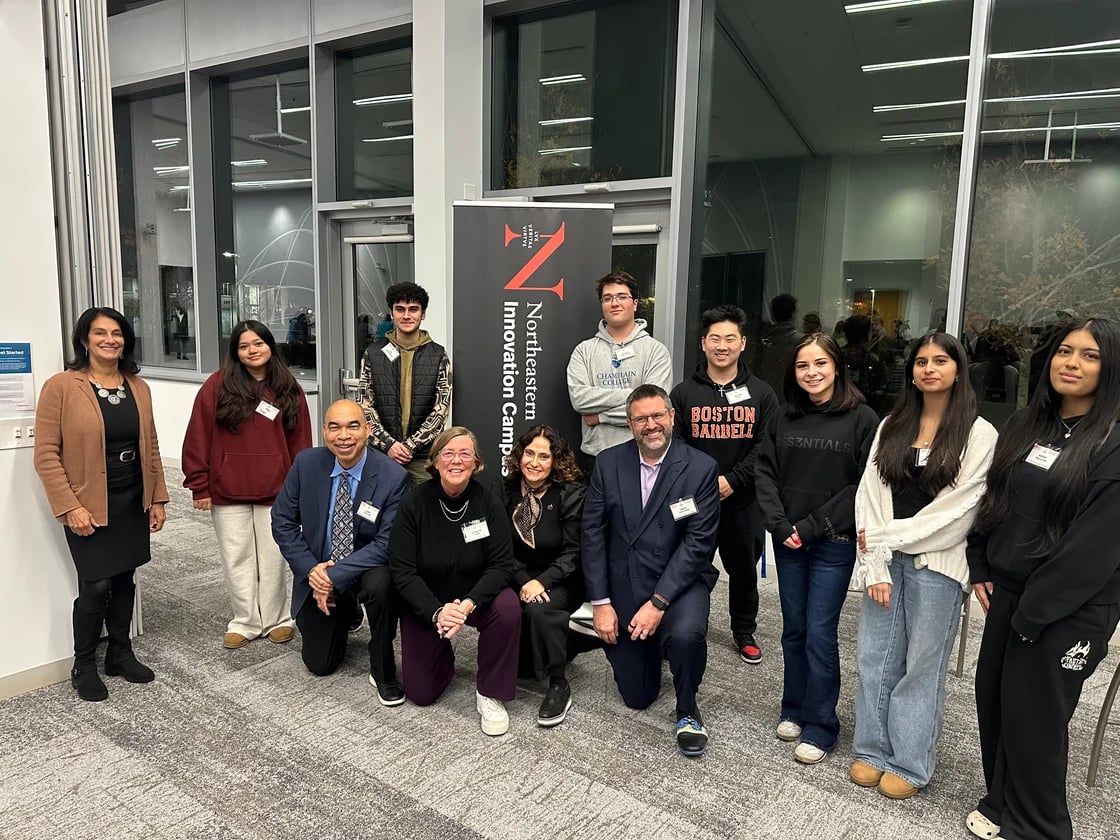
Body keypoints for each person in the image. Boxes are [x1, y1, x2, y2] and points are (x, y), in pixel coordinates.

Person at [966, 318, 1120, 840]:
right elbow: (994, 501)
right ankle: (1002, 801)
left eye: (1090, 355)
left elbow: (1095, 549)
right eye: (1064, 351)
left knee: (1036, 721)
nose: (1071, 363)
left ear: (1111, 368)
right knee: (995, 702)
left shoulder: (1112, 441)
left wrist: (1034, 613)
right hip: (1011, 594)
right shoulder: (1028, 424)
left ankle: (1040, 828)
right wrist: (981, 563)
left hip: (1069, 608)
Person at [851, 333, 998, 799]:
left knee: (921, 666)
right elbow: (869, 494)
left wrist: (883, 540)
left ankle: (910, 762)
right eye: (920, 362)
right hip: (885, 562)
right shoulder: (892, 423)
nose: (929, 369)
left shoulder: (979, 433)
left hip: (938, 566)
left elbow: (958, 512)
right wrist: (875, 560)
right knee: (875, 657)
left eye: (939, 361)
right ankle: (872, 750)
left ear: (958, 369)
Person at [33, 307, 169, 702]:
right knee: (96, 585)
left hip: (132, 497)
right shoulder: (61, 386)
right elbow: (46, 454)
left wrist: (157, 497)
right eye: (100, 333)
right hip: (88, 501)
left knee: (125, 578)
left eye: (117, 333)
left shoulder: (137, 387)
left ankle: (120, 654)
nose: (110, 340)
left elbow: (151, 445)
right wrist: (69, 506)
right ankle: (84, 664)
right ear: (84, 340)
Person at [755, 332, 878, 764]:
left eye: (820, 363)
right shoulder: (783, 416)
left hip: (832, 541)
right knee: (793, 629)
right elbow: (765, 471)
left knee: (820, 633)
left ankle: (822, 724)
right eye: (803, 365)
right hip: (788, 539)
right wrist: (779, 524)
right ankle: (794, 707)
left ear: (837, 367)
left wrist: (810, 527)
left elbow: (863, 486)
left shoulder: (862, 419)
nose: (812, 372)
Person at [582, 384, 721, 757]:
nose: (651, 425)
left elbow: (698, 544)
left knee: (686, 634)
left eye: (658, 415)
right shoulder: (608, 463)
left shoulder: (701, 468)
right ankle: (655, 650)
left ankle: (688, 708)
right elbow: (592, 535)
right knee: (637, 697)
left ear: (671, 416)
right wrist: (600, 603)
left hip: (679, 581)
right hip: (626, 580)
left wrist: (659, 602)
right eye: (641, 418)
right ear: (630, 424)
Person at [182, 320, 312, 650]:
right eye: (243, 346)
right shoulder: (216, 385)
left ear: (270, 346)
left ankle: (277, 619)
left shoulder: (288, 387)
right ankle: (245, 620)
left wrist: (300, 488)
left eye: (258, 343)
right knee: (236, 556)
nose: (252, 350)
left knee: (273, 557)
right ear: (235, 352)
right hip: (227, 489)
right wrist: (199, 484)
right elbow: (198, 435)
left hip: (277, 490)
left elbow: (300, 442)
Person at [272, 400, 412, 703]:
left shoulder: (393, 476)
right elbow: (282, 522)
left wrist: (331, 577)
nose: (343, 436)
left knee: (383, 583)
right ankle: (347, 608)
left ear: (368, 430)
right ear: (324, 431)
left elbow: (387, 543)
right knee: (320, 664)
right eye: (334, 427)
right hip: (318, 566)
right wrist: (312, 571)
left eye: (353, 426)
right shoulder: (306, 464)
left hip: (366, 567)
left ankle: (382, 667)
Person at [388, 427, 520, 735]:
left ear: (477, 462)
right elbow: (402, 570)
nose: (456, 461)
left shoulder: (489, 503)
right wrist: (437, 611)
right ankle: (441, 653)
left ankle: (489, 693)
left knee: (508, 608)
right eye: (448, 453)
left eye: (465, 454)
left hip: (475, 596)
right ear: (435, 462)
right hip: (428, 598)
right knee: (421, 694)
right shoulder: (414, 504)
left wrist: (468, 605)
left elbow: (501, 566)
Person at [670, 304, 779, 664]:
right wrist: (705, 484)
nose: (722, 346)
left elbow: (765, 447)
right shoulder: (683, 393)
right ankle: (683, 628)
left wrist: (733, 480)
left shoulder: (762, 394)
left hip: (744, 501)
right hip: (695, 500)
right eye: (715, 338)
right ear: (703, 343)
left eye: (730, 338)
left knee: (744, 570)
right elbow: (676, 445)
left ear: (742, 343)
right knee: (687, 566)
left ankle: (744, 630)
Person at [492, 425, 586, 727]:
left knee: (540, 609)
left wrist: (541, 582)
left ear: (556, 460)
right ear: (519, 455)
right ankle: (566, 642)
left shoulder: (570, 493)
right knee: (507, 617)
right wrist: (523, 579)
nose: (534, 462)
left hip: (559, 577)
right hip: (515, 573)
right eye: (529, 453)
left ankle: (559, 683)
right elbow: (498, 546)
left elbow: (574, 552)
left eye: (544, 456)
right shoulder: (504, 490)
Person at [566, 271, 672, 474]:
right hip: (595, 460)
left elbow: (653, 409)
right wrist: (635, 394)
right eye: (607, 298)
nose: (614, 303)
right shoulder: (583, 351)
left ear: (635, 303)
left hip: (643, 458)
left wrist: (601, 416)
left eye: (622, 296)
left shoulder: (656, 351)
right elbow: (579, 400)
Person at [357, 282, 451, 485]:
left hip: (422, 458)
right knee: (377, 505)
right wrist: (389, 444)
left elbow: (441, 410)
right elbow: (364, 406)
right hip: (382, 455)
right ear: (392, 313)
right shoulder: (373, 353)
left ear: (423, 314)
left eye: (413, 309)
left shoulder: (438, 355)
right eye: (400, 309)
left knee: (423, 505)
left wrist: (410, 446)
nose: (406, 315)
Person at [756, 293, 799, 401]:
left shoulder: (760, 340)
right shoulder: (802, 342)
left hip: (763, 397)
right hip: (791, 400)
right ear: (793, 314)